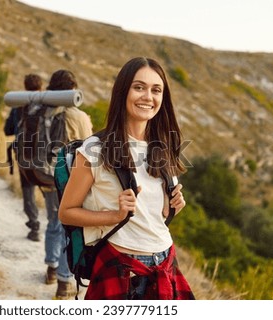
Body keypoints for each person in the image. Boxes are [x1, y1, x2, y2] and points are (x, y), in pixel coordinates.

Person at [58, 57, 194, 300]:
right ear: (123, 91)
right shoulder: (95, 149)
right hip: (121, 269)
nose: (148, 97)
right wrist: (115, 215)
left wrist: (171, 207)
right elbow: (66, 212)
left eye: (156, 90)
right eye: (139, 87)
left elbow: (155, 217)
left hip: (165, 264)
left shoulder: (162, 148)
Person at [42, 69, 93, 299]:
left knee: (53, 221)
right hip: (68, 178)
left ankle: (51, 267)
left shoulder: (43, 109)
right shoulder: (78, 116)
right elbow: (91, 149)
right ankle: (63, 281)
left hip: (45, 174)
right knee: (68, 228)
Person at [3, 74, 43, 242]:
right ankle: (56, 224)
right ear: (41, 88)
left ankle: (34, 226)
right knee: (49, 189)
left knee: (28, 191)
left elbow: (8, 130)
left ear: (25, 87)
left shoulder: (18, 106)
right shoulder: (48, 105)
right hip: (45, 154)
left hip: (24, 154)